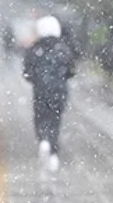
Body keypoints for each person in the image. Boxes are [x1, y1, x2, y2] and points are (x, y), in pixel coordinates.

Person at [23, 15, 76, 172]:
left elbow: (27, 72)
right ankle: (53, 152)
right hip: (59, 91)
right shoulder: (63, 49)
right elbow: (71, 71)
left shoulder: (34, 49)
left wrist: (36, 80)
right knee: (55, 120)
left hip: (40, 91)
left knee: (40, 117)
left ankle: (43, 139)